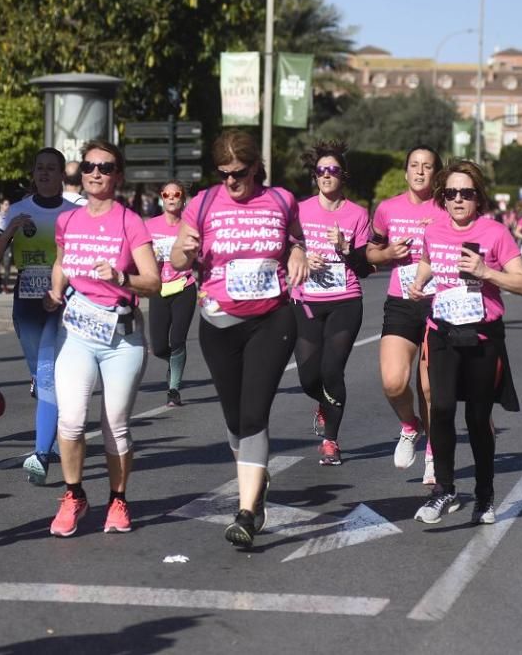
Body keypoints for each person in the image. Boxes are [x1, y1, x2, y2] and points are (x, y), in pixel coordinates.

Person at [170, 130, 308, 548]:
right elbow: (176, 259)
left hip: (272, 318)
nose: (232, 181)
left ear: (256, 169)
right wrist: (186, 253)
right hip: (219, 322)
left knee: (253, 413)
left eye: (240, 173)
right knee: (234, 418)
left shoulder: (282, 200)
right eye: (225, 173)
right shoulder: (204, 204)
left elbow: (296, 238)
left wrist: (298, 250)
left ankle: (247, 512)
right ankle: (256, 479)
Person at [43, 140, 160, 536]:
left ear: (118, 176)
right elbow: (62, 260)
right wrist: (56, 289)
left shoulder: (130, 222)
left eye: (105, 168)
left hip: (120, 338)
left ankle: (118, 499)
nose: (95, 173)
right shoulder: (69, 221)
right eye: (89, 167)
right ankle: (73, 494)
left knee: (115, 424)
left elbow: (154, 282)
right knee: (71, 419)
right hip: (76, 332)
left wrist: (121, 277)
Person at [409, 160, 522, 524]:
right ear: (442, 198)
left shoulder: (495, 233)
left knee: (478, 418)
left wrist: (485, 271)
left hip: (482, 335)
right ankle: (444, 489)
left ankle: (485, 495)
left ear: (479, 197)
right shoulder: (434, 231)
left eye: (467, 193)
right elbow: (430, 261)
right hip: (442, 330)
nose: (458, 200)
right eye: (451, 193)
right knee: (441, 408)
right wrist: (419, 283)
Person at [0, 148, 79, 484]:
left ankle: (41, 453)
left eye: (51, 169)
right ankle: (53, 433)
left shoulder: (75, 214)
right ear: (33, 174)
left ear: (62, 175)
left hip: (63, 302)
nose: (44, 174)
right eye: (39, 168)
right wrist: (9, 231)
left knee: (47, 373)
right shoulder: (17, 211)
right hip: (27, 302)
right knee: (40, 374)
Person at [367, 146, 445, 484]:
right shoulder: (388, 209)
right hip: (400, 302)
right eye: (414, 165)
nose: (420, 171)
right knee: (393, 381)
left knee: (430, 388)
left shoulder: (445, 207)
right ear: (405, 171)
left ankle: (433, 454)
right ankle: (409, 426)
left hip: (439, 303)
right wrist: (387, 253)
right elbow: (370, 251)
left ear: (436, 173)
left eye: (427, 166)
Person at [294, 140, 372, 465]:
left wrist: (345, 249)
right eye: (321, 170)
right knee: (308, 376)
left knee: (331, 369)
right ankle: (324, 404)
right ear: (315, 176)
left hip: (345, 300)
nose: (327, 175)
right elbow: (284, 248)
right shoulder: (299, 210)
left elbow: (367, 268)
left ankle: (331, 441)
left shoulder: (357, 214)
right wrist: (300, 255)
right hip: (307, 300)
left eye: (333, 170)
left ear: (343, 176)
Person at [145, 180, 197, 407]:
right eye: (167, 194)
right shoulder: (149, 226)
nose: (172, 197)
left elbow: (202, 255)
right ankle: (174, 363)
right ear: (161, 198)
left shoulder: (190, 226)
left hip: (184, 286)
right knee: (158, 346)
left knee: (177, 339)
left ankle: (173, 389)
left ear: (183, 198)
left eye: (176, 194)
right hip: (159, 288)